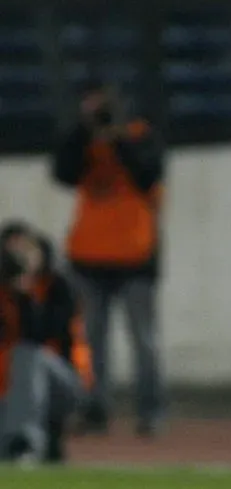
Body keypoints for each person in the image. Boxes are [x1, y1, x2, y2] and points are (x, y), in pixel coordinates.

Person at [51, 80, 166, 437]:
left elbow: (148, 174)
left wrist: (117, 137)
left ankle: (150, 411)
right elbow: (63, 173)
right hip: (88, 255)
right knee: (90, 341)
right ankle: (94, 408)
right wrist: (84, 132)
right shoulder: (82, 139)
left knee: (143, 340)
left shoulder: (140, 135)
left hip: (135, 255)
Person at [0, 221, 92, 463]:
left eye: (25, 251)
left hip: (64, 382)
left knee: (27, 355)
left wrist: (25, 295)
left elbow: (41, 335)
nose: (19, 259)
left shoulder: (59, 287)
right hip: (10, 389)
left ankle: (26, 441)